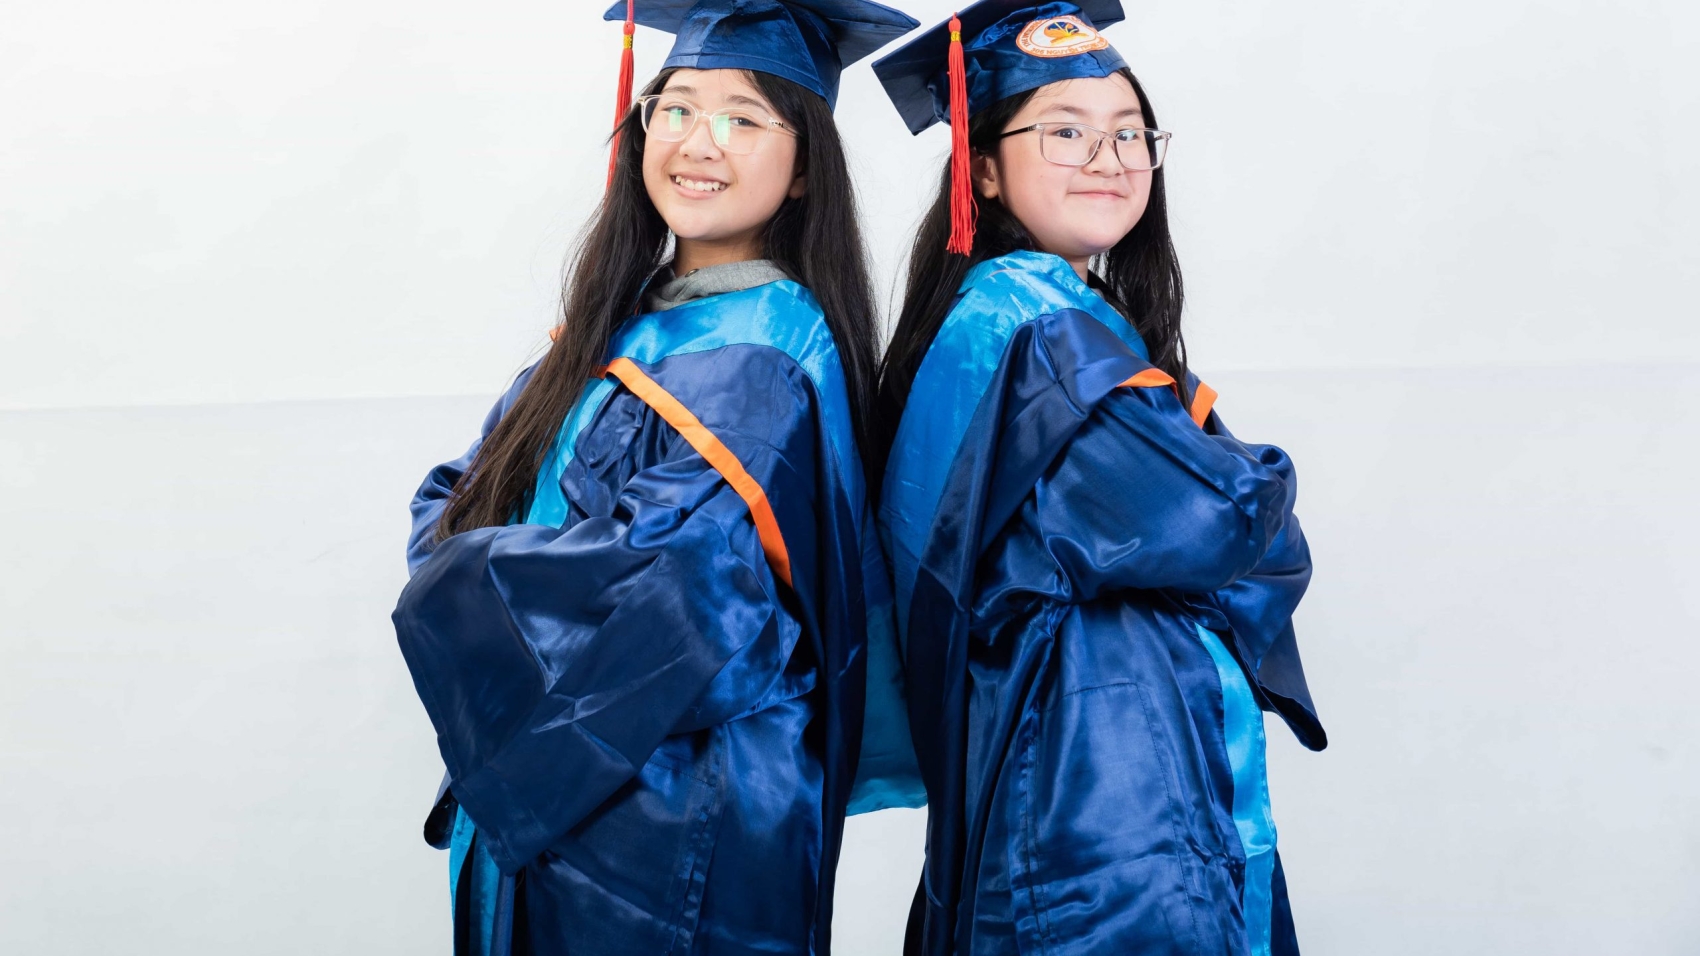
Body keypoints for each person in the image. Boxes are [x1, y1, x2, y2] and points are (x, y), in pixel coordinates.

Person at [391, 2, 919, 953]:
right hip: (585, 795)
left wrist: (467, 568)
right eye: (674, 109)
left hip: (673, 819)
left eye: (743, 118)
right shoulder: (621, 325)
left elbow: (664, 588)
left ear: (805, 169)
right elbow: (461, 495)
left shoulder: (761, 360)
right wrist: (474, 550)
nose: (696, 142)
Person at [871, 2, 1327, 953]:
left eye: (1130, 135)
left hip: (1061, 748)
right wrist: (1255, 476)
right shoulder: (1040, 331)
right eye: (1066, 133)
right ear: (983, 170)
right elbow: (1225, 519)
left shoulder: (1011, 318)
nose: (1110, 159)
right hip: (1099, 779)